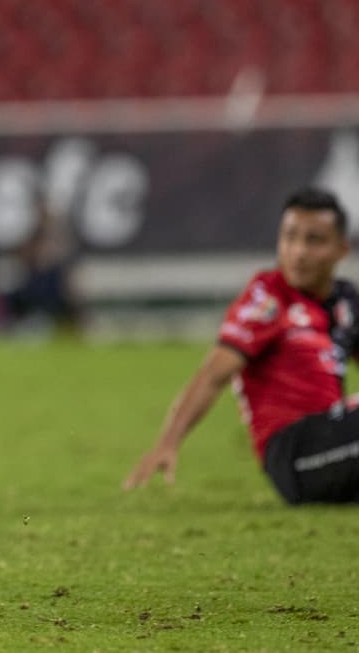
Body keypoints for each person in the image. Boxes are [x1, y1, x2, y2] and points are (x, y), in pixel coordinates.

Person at [123, 188, 359, 504]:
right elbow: (213, 375)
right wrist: (168, 442)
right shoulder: (268, 298)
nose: (298, 252)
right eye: (289, 237)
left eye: (314, 240)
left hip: (337, 438)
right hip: (295, 455)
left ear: (341, 250)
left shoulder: (346, 301)